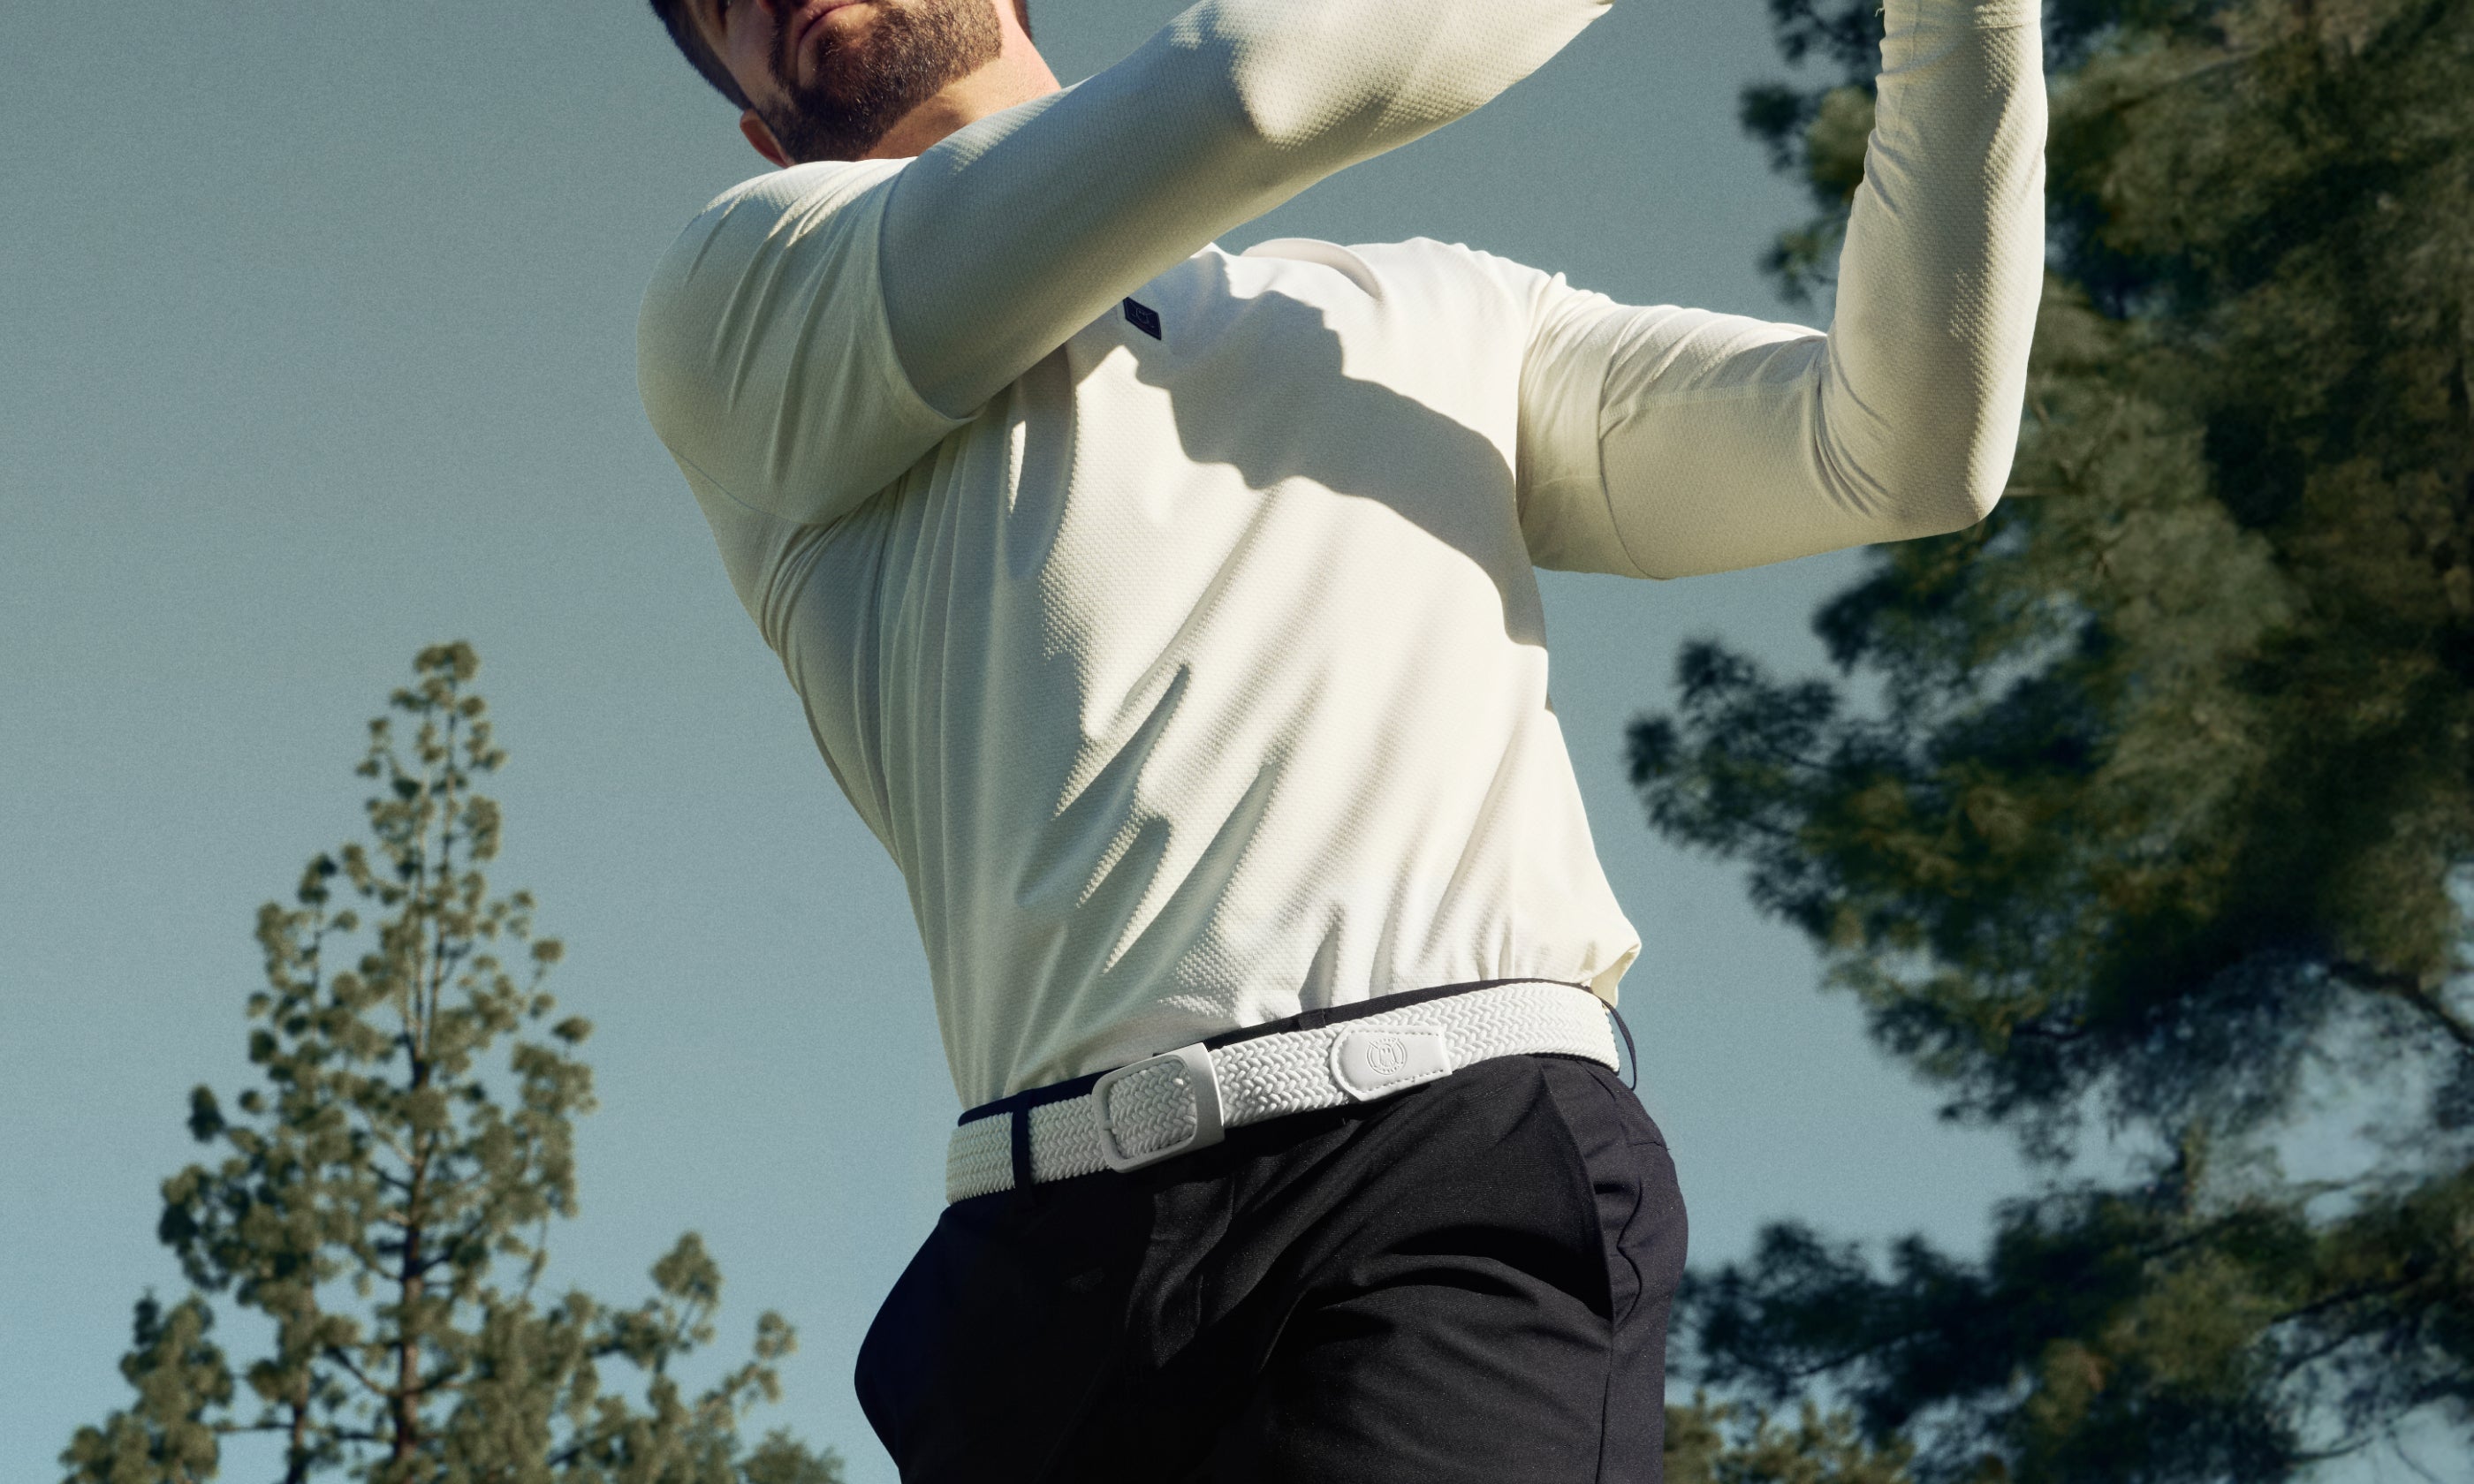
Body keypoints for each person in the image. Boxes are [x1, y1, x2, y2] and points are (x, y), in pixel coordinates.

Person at [634, 0, 2045, 1477]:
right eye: (718, 10)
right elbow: (1258, 87)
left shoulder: (1441, 320)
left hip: (1440, 1184)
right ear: (750, 121)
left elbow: (1895, 442)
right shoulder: (749, 301)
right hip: (1039, 1277)